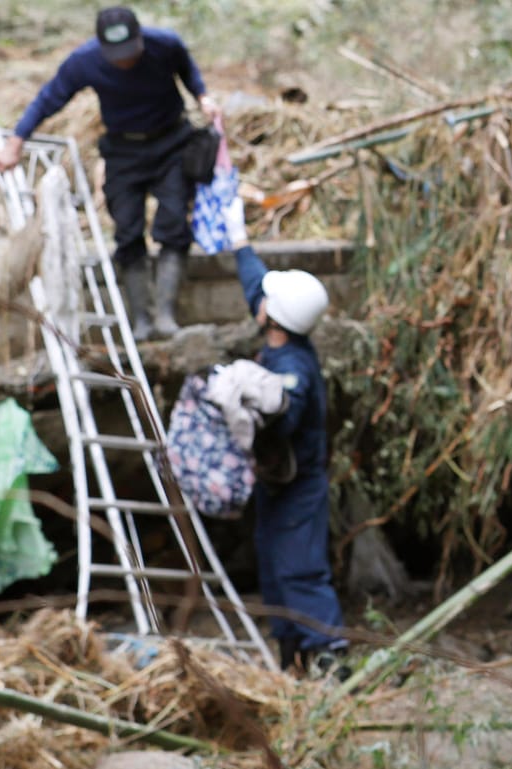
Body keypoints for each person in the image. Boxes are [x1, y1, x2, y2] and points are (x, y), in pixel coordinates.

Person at [0, 6, 221, 341]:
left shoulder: (165, 45)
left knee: (173, 222)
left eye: (130, 53)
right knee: (127, 231)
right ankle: (141, 319)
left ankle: (166, 316)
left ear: (140, 39)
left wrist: (202, 96)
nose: (125, 62)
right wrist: (16, 142)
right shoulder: (84, 61)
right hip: (124, 151)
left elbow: (188, 70)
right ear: (102, 47)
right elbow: (48, 99)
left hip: (172, 143)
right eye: (117, 56)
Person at [222, 197, 350, 679]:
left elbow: (287, 420)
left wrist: (252, 402)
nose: (258, 300)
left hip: (299, 489)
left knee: (300, 571)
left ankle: (329, 660)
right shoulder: (282, 330)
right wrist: (239, 240)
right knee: (275, 577)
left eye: (266, 302)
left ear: (274, 319)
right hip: (274, 488)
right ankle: (291, 661)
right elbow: (257, 283)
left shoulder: (293, 367)